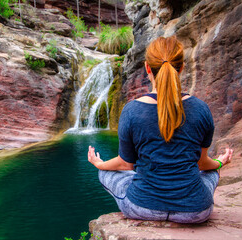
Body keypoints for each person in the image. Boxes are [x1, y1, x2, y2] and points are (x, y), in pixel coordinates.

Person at [87, 36, 233, 223]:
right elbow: (202, 164)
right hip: (195, 211)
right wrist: (220, 163)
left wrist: (99, 163)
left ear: (147, 68)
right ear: (181, 68)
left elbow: (125, 165)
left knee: (106, 172)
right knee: (211, 172)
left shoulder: (132, 110)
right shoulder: (201, 108)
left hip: (142, 207)